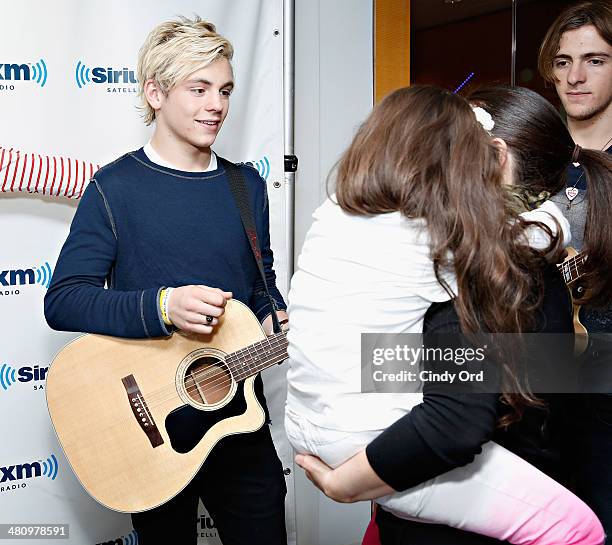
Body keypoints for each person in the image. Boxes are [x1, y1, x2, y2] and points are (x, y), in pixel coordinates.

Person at [285, 84, 604, 545]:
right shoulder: (464, 250)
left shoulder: (335, 217)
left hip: (410, 479)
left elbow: (455, 414)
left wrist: (348, 481)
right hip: (409, 472)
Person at [44, 16, 288, 545]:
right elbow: (63, 300)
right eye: (198, 89)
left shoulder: (247, 186)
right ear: (155, 92)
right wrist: (162, 306)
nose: (217, 105)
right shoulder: (113, 187)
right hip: (152, 431)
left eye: (224, 90)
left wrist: (275, 316)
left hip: (240, 420)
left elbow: (260, 287)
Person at [539, 2, 612, 539]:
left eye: (595, 60)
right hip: (534, 390)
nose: (576, 76)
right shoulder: (525, 158)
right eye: (563, 62)